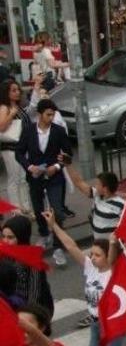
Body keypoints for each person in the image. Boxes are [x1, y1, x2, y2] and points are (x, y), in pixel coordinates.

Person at [45, 210, 126, 346]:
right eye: (91, 254)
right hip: (95, 325)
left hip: (113, 329)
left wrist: (113, 243)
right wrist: (54, 226)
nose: (92, 258)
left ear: (108, 257)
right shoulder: (90, 267)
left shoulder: (114, 273)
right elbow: (71, 245)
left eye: (97, 255)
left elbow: (118, 254)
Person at [15, 98, 71, 261]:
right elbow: (19, 152)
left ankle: (58, 246)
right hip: (35, 177)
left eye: (53, 115)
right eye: (48, 115)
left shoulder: (59, 131)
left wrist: (57, 166)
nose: (51, 118)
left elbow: (68, 155)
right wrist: (29, 166)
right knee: (38, 208)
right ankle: (44, 234)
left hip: (55, 177)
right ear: (39, 114)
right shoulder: (29, 131)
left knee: (57, 211)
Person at [1, 215, 53, 315]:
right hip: (12, 307)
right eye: (3, 236)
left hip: (33, 311)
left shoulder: (32, 260)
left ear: (21, 237)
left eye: (10, 237)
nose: (5, 241)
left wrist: (27, 315)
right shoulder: (4, 255)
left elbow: (35, 294)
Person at [0, 79, 31, 212]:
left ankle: (26, 208)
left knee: (23, 179)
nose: (17, 92)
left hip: (22, 147)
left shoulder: (18, 107)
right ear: (6, 93)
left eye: (18, 89)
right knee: (14, 179)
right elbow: (1, 127)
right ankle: (16, 210)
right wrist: (11, 114)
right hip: (10, 147)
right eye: (13, 90)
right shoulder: (5, 107)